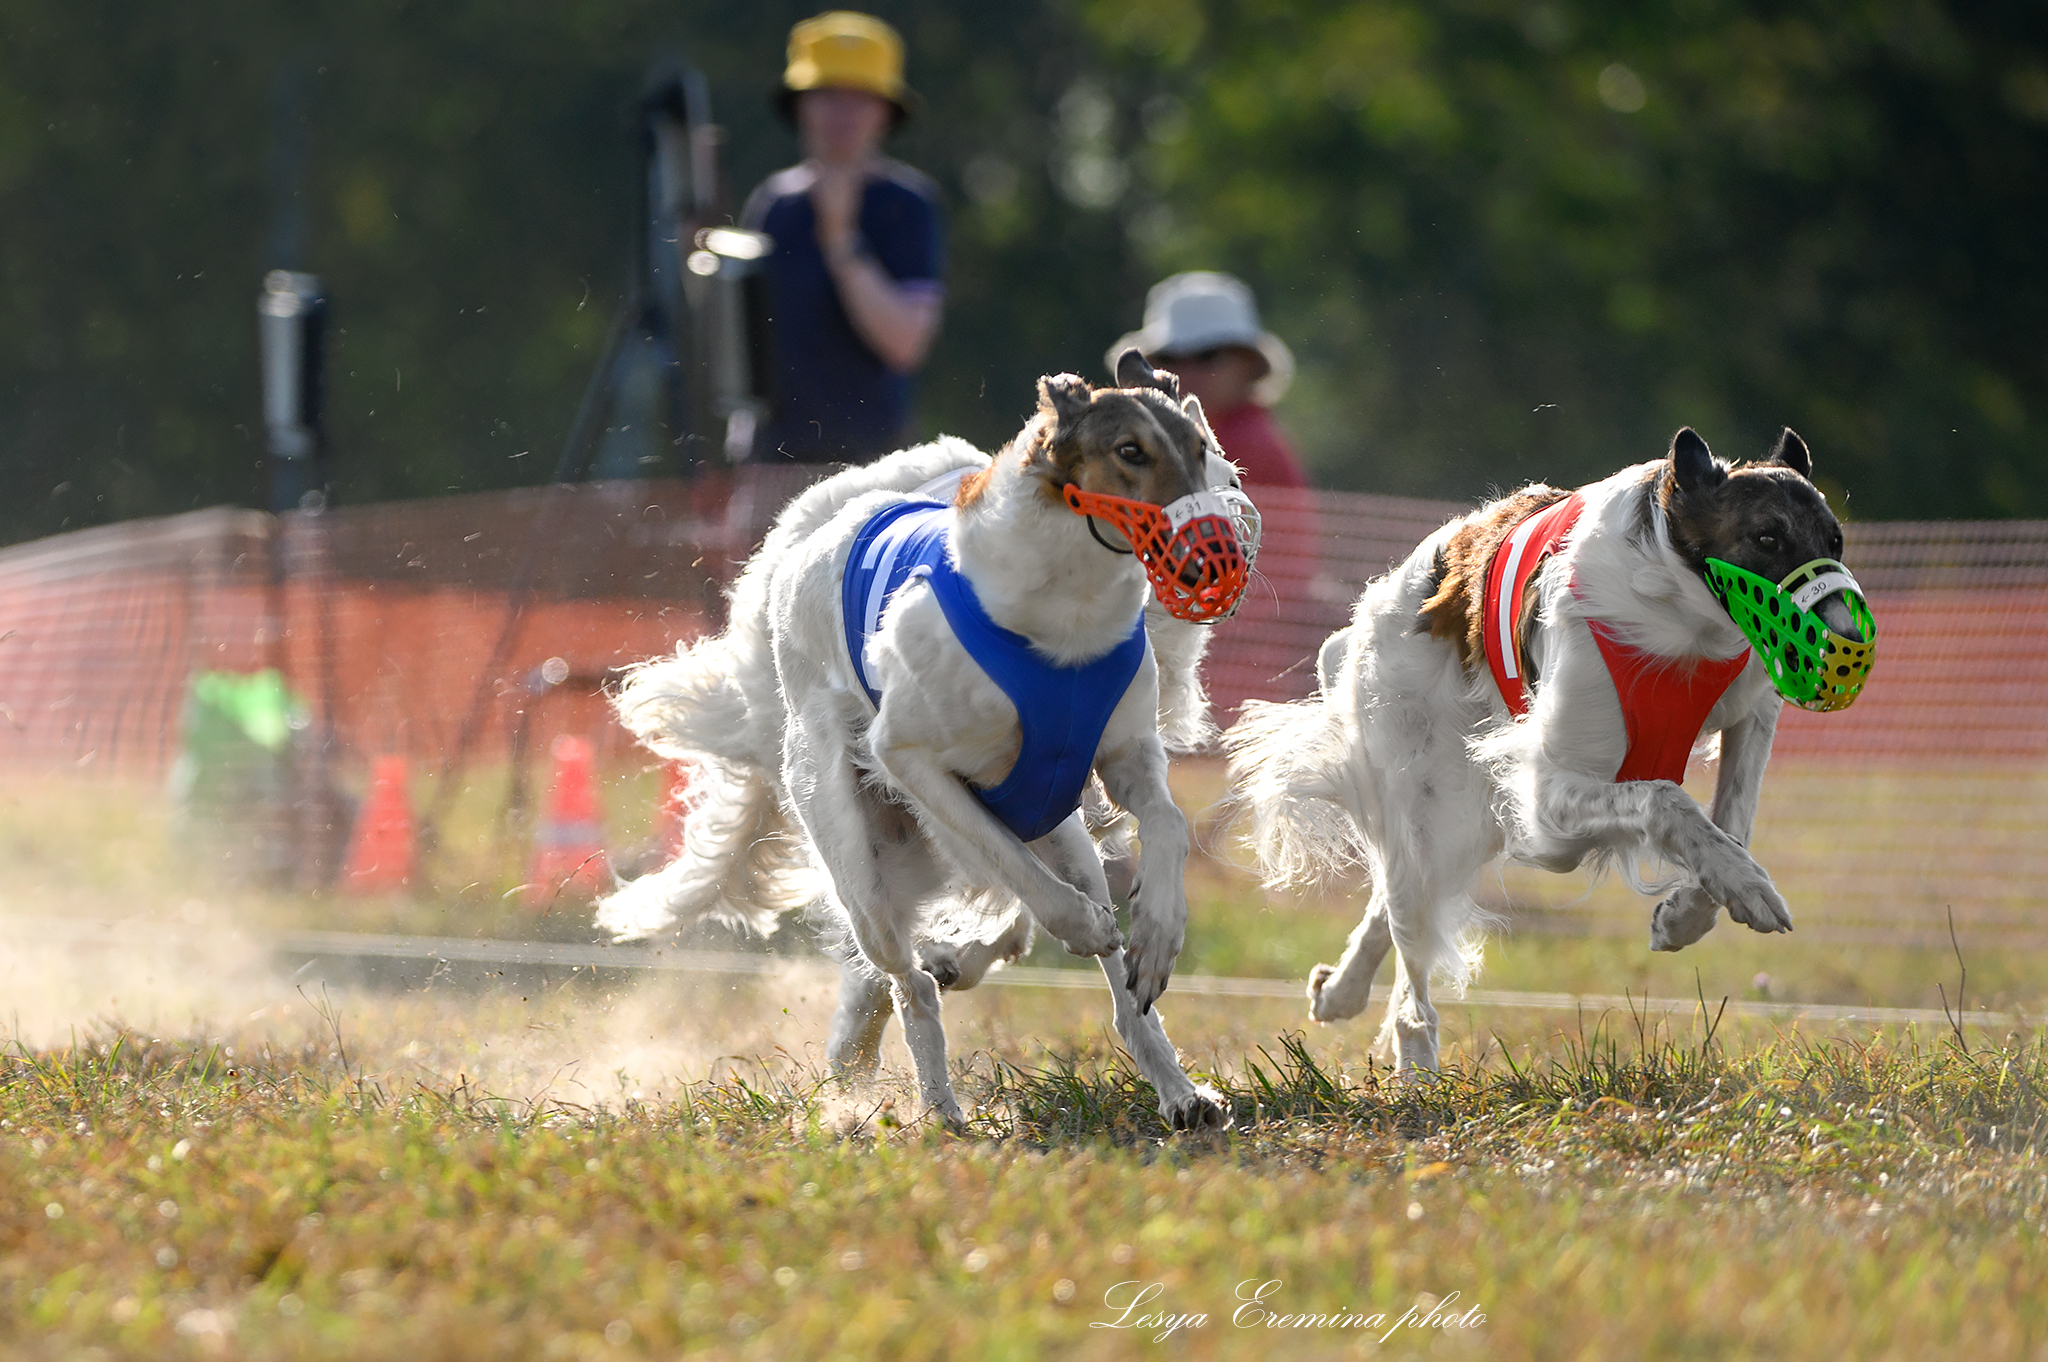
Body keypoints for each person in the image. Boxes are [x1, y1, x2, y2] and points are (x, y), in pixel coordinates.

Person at [739, 11, 945, 466]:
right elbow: (743, 345)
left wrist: (841, 240)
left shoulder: (907, 206)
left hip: (876, 464)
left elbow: (905, 343)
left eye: (860, 99)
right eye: (828, 96)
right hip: (772, 463)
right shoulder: (772, 205)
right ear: (801, 106)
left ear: (885, 112)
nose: (843, 114)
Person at [1108, 271, 1308, 488]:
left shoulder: (1253, 444)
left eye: (1207, 355)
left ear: (1248, 365)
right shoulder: (1163, 438)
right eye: (1168, 358)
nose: (1184, 372)